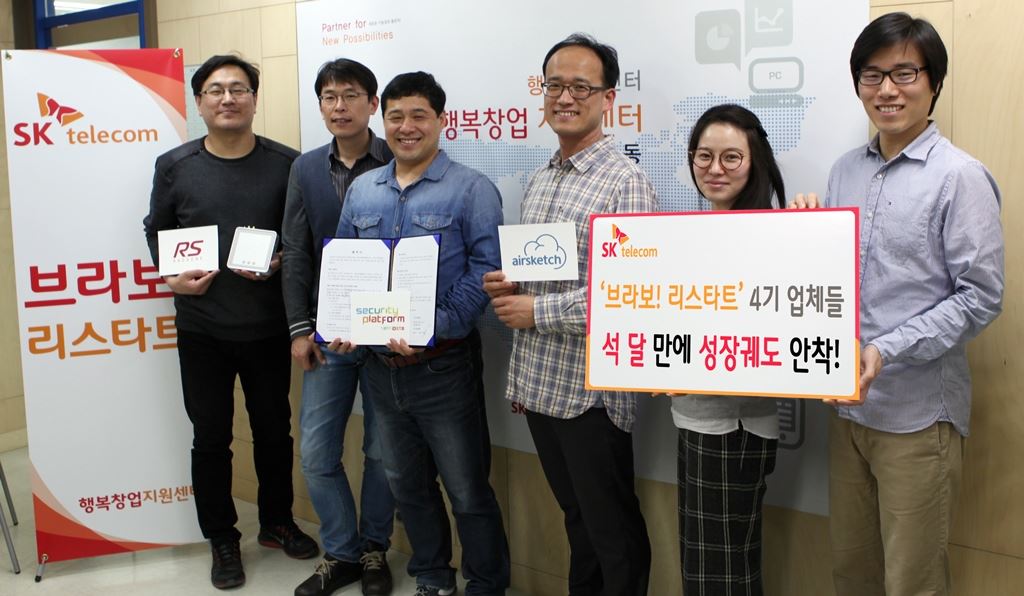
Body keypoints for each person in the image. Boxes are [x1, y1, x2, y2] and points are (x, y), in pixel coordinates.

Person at [789, 13, 1004, 596]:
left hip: (916, 417)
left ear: (933, 82)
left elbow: (981, 296)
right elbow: (832, 278)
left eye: (905, 73)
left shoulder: (960, 177)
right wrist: (805, 234)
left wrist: (886, 349)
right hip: (846, 412)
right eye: (872, 75)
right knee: (851, 573)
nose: (887, 89)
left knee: (912, 581)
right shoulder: (844, 171)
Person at [482, 33, 654, 596]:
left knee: (612, 529)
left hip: (591, 394)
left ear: (607, 98)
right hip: (540, 385)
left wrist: (535, 309)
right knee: (578, 519)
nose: (565, 97)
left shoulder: (626, 183)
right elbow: (545, 275)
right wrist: (510, 285)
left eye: (581, 86)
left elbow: (627, 295)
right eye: (555, 85)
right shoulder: (540, 178)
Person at [330, 71, 509, 596]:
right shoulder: (363, 190)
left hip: (443, 366)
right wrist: (341, 323)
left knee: (467, 490)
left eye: (418, 116)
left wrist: (433, 325)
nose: (406, 127)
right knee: (407, 485)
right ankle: (433, 577)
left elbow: (486, 271)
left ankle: (485, 585)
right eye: (396, 116)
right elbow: (344, 264)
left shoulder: (472, 188)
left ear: (440, 120)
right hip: (380, 369)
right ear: (382, 119)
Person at [143, 54, 318, 590]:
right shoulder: (174, 166)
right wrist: (171, 278)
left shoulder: (287, 164)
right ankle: (221, 537)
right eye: (215, 90)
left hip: (268, 327)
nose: (228, 98)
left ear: (254, 100)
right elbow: (157, 230)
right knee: (211, 437)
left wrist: (282, 261)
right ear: (199, 102)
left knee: (274, 431)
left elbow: (300, 238)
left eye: (239, 89)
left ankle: (277, 522)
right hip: (202, 329)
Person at [282, 58, 395, 596]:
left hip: (387, 333)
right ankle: (342, 552)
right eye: (329, 97)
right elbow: (296, 252)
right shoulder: (305, 168)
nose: (339, 106)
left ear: (372, 104)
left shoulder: (398, 155)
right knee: (316, 452)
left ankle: (373, 550)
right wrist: (299, 329)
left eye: (350, 95)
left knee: (383, 451)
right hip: (327, 333)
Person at [674, 104, 785, 595]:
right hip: (696, 415)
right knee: (709, 563)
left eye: (731, 157)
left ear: (754, 160)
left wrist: (807, 229)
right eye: (704, 156)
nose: (715, 169)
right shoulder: (689, 234)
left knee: (721, 571)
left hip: (735, 424)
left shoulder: (777, 235)